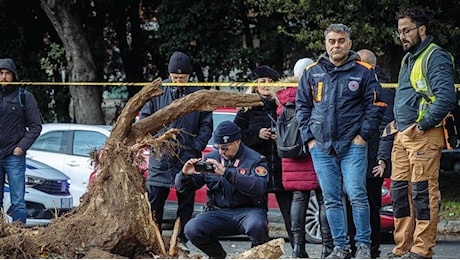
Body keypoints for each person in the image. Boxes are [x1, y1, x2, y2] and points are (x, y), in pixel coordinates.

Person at [296, 24, 386, 259]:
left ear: (349, 43)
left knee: (357, 194)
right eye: (332, 41)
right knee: (331, 199)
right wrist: (310, 139)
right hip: (321, 147)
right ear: (325, 44)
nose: (336, 45)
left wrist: (362, 137)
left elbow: (375, 107)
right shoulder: (312, 72)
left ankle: (363, 246)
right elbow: (302, 107)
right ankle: (340, 247)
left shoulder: (364, 71)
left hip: (353, 146)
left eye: (341, 41)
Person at [389, 8, 456, 259]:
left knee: (423, 194)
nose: (402, 36)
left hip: (423, 135)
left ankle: (421, 249)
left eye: (406, 30)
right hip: (403, 136)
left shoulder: (434, 57)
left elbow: (446, 97)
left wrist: (423, 125)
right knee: (399, 194)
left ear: (422, 30)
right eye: (399, 32)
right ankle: (402, 247)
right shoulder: (409, 58)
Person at [138, 51, 213, 251]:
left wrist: (196, 146)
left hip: (187, 157)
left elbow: (207, 125)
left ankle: (181, 241)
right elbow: (144, 120)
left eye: (182, 78)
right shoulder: (157, 92)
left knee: (186, 202)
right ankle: (154, 241)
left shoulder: (199, 94)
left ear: (189, 76)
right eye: (175, 77)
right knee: (155, 203)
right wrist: (154, 142)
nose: (178, 81)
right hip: (160, 158)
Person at [176, 121, 269, 259]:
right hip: (218, 211)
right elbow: (184, 189)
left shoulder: (255, 159)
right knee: (192, 228)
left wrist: (226, 173)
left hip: (248, 211)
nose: (221, 152)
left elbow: (259, 186)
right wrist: (184, 175)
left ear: (237, 141)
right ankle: (218, 256)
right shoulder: (211, 158)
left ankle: (256, 255)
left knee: (257, 225)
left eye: (225, 148)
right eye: (218, 147)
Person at [233, 65, 294, 246]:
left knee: (290, 211)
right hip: (257, 169)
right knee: (258, 213)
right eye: (262, 82)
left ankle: (297, 248)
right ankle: (258, 248)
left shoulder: (283, 105)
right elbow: (237, 136)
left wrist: (281, 136)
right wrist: (257, 134)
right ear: (255, 85)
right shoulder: (247, 107)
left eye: (269, 82)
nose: (266, 85)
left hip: (283, 167)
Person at [345, 49, 396, 258]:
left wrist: (381, 159)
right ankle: (353, 247)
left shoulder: (383, 91)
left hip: (372, 158)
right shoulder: (359, 86)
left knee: (369, 205)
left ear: (370, 67)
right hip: (355, 157)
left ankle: (371, 249)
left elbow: (387, 126)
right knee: (352, 203)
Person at [273, 57, 321, 258]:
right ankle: (327, 247)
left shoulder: (283, 97)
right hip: (314, 150)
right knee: (323, 198)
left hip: (291, 155)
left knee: (299, 198)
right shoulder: (314, 91)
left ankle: (297, 248)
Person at [0, 58, 42, 224]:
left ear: (13, 75)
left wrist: (20, 148)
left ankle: (19, 237)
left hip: (14, 156)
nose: (3, 77)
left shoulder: (24, 96)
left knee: (18, 201)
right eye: (1, 73)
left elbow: (35, 126)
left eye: (7, 73)